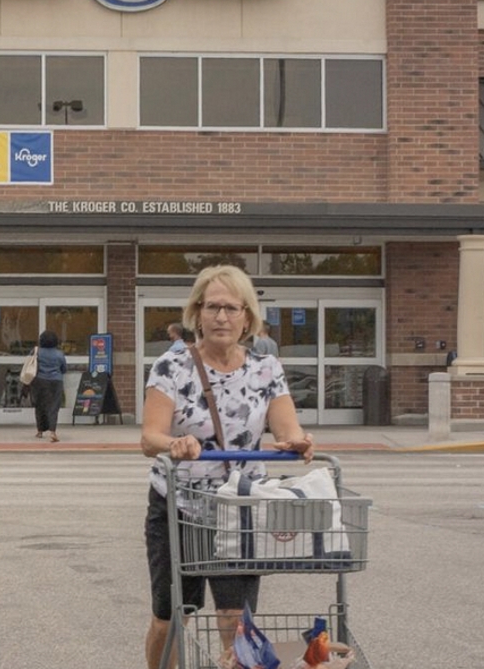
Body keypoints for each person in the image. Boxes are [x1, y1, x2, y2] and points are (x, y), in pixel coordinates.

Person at [140, 265, 314, 669]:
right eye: (212, 307)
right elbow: (150, 437)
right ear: (197, 313)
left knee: (235, 620)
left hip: (239, 510)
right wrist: (176, 443)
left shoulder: (265, 369)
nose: (221, 317)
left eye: (231, 308)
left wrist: (298, 442)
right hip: (178, 507)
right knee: (171, 618)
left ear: (247, 317)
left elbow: (287, 429)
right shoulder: (172, 366)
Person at [30, 330, 68, 443]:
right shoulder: (59, 354)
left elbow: (30, 363)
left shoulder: (37, 352)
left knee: (40, 405)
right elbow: (64, 369)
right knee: (53, 406)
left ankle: (40, 431)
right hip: (56, 381)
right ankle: (53, 432)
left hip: (39, 380)